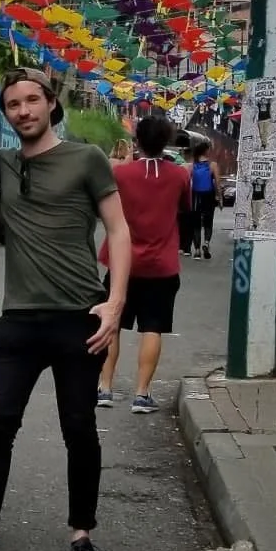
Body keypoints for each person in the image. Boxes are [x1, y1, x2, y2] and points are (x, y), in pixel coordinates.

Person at [0, 68, 131, 551]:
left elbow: (118, 228)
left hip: (80, 319)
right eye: (13, 105)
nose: (23, 111)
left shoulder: (86, 159)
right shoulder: (0, 165)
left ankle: (81, 540)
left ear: (51, 104)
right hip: (19, 320)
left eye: (32, 101)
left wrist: (114, 305)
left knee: (80, 430)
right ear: (6, 114)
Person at [97, 114, 192, 414]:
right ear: (166, 142)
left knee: (111, 325)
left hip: (122, 262)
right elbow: (185, 207)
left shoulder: (122, 175)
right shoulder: (179, 175)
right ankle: (141, 394)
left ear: (137, 140)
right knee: (153, 327)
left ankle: (104, 388)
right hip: (161, 265)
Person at [188, 145, 222, 259]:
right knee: (208, 222)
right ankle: (206, 243)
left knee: (195, 224)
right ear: (206, 151)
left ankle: (197, 251)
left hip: (195, 195)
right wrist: (220, 198)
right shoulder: (213, 165)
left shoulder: (192, 166)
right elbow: (217, 182)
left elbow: (187, 182)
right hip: (209, 195)